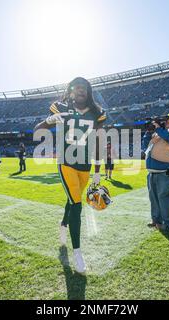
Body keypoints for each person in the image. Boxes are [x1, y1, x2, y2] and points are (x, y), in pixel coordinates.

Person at [34, 77, 107, 274]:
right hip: (66, 163)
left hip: (85, 165)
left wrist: (98, 171)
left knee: (72, 200)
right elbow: (37, 131)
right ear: (71, 90)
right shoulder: (60, 107)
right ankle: (77, 252)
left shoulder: (97, 112)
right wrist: (48, 120)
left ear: (88, 91)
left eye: (84, 87)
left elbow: (99, 141)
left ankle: (63, 224)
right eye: (77, 87)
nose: (81, 90)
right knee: (76, 204)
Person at [142, 112, 169, 231]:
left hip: (166, 172)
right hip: (152, 172)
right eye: (166, 119)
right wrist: (148, 132)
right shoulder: (158, 133)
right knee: (154, 198)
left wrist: (158, 128)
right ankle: (156, 220)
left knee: (165, 199)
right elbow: (145, 145)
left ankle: (168, 224)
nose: (166, 121)